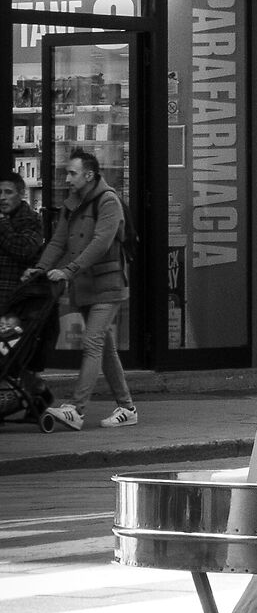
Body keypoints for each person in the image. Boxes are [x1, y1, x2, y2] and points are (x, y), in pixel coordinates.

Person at [33, 148, 136, 430]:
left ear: (89, 175)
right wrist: (40, 269)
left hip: (108, 285)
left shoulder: (108, 201)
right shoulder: (73, 204)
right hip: (85, 286)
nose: (67, 178)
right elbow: (58, 242)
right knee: (104, 348)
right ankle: (127, 408)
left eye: (72, 173)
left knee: (92, 343)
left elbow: (101, 243)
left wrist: (68, 271)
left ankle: (76, 410)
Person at [0, 173, 43, 315]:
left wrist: (2, 223)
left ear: (21, 194)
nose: (2, 198)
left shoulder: (31, 220)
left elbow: (24, 250)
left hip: (17, 298)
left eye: (8, 192)